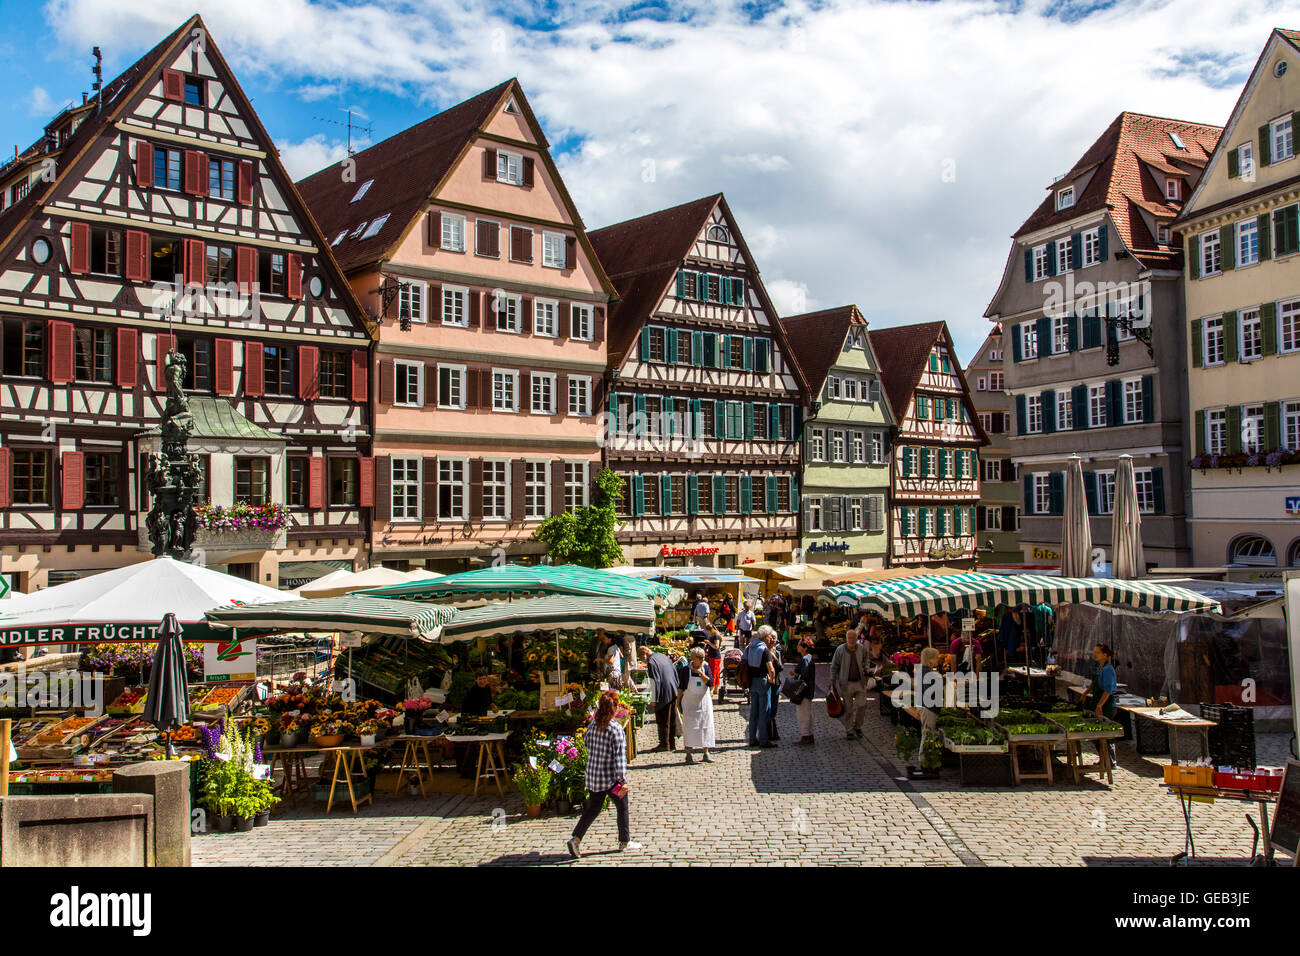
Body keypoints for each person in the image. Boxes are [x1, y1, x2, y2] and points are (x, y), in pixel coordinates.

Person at [567, 690, 641, 858]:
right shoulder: (615, 729)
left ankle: (575, 839)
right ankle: (625, 841)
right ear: (614, 708)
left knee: (592, 809)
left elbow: (585, 743)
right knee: (622, 806)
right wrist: (623, 781)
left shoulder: (592, 725)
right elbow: (619, 758)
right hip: (611, 779)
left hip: (594, 776)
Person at [828, 627, 871, 739]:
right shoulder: (840, 650)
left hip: (860, 682)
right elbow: (834, 666)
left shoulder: (861, 649)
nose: (851, 640)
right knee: (848, 708)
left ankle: (858, 726)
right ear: (846, 639)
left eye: (853, 637)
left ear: (856, 638)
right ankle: (849, 730)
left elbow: (867, 659)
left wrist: (866, 668)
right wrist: (833, 681)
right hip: (846, 684)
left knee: (862, 705)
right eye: (849, 638)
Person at [639, 646, 681, 751]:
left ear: (644, 653)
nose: (642, 660)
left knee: (663, 719)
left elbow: (655, 681)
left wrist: (654, 699)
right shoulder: (662, 656)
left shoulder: (652, 662)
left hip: (663, 692)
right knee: (671, 718)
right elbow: (674, 671)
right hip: (672, 689)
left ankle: (664, 744)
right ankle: (672, 743)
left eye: (641, 657)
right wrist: (677, 687)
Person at [678, 648, 715, 764]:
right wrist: (677, 702)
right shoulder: (685, 671)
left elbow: (710, 682)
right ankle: (688, 754)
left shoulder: (706, 668)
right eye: (700, 657)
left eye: (703, 657)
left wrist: (700, 673)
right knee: (689, 728)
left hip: (704, 703)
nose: (702, 659)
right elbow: (681, 687)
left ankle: (706, 752)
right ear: (693, 658)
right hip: (690, 704)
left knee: (705, 726)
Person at [745, 625, 778, 748]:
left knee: (754, 712)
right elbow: (771, 669)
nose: (771, 638)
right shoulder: (764, 650)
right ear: (766, 637)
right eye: (770, 636)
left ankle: (752, 738)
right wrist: (771, 679)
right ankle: (764, 739)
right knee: (764, 712)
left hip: (752, 682)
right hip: (763, 681)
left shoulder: (750, 647)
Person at [793, 636, 817, 745]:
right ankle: (809, 735)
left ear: (804, 648)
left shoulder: (806, 659)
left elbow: (804, 675)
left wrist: (795, 674)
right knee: (807, 713)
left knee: (803, 714)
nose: (797, 647)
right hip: (808, 690)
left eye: (799, 645)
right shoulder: (808, 658)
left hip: (804, 691)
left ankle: (806, 736)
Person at [766, 626, 784, 741]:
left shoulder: (777, 651)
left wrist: (774, 656)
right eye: (771, 638)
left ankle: (772, 732)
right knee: (766, 708)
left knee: (773, 708)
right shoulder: (763, 650)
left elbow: (780, 667)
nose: (772, 641)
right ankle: (768, 733)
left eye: (774, 638)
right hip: (767, 683)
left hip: (775, 682)